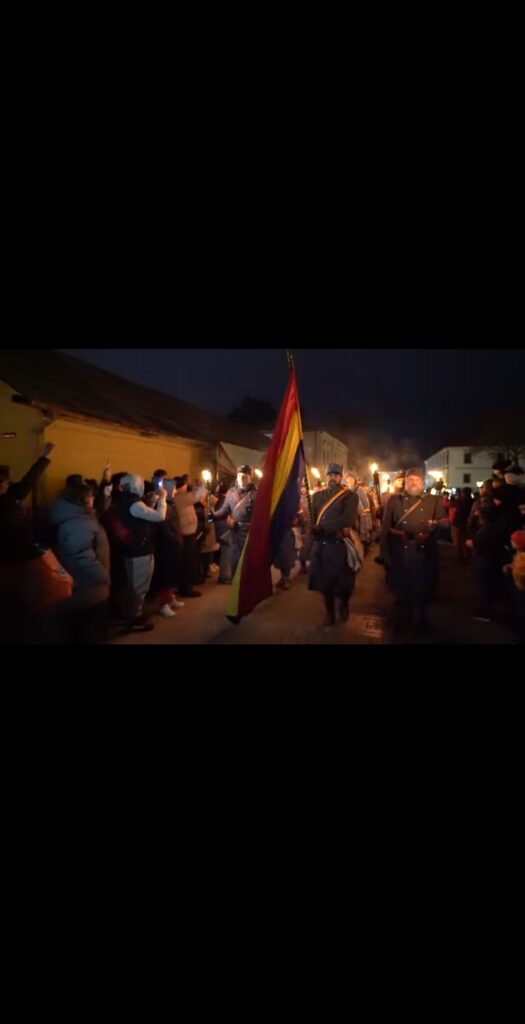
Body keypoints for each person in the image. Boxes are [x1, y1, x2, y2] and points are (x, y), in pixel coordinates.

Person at [380, 466, 444, 633]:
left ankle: (421, 621)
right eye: (410, 480)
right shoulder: (394, 500)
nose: (414, 483)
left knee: (423, 589)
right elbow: (385, 528)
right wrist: (384, 553)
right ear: (405, 482)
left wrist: (436, 524)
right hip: (400, 552)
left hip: (425, 553)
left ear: (423, 482)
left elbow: (444, 523)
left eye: (417, 480)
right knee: (402, 590)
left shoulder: (434, 500)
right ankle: (403, 623)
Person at [50, 481, 111, 642]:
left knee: (82, 630)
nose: (93, 499)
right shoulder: (79, 523)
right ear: (81, 499)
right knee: (87, 632)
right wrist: (103, 575)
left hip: (83, 585)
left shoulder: (78, 517)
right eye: (90, 496)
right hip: (88, 586)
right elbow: (82, 557)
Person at [308, 464, 359, 628]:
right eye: (330, 474)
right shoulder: (317, 496)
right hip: (321, 545)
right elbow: (312, 520)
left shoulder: (349, 496)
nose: (332, 478)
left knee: (344, 583)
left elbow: (347, 519)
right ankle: (330, 613)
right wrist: (309, 540)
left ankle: (344, 604)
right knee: (325, 584)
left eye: (336, 475)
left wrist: (324, 528)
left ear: (340, 477)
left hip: (338, 545)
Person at [117, 474, 167, 632]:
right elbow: (159, 516)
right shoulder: (134, 504)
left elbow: (142, 515)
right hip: (139, 550)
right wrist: (162, 499)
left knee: (134, 586)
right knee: (138, 587)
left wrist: (150, 503)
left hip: (132, 548)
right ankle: (134, 620)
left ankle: (133, 614)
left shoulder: (124, 500)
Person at [212, 466, 258, 581]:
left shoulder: (256, 493)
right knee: (234, 561)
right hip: (234, 532)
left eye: (245, 476)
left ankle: (247, 584)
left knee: (248, 562)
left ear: (250, 477)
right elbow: (225, 510)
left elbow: (260, 514)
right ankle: (236, 583)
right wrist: (213, 515)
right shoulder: (231, 492)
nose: (242, 478)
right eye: (239, 476)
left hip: (249, 532)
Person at [172, 475, 207, 597]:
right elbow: (200, 494)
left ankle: (185, 586)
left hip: (187, 534)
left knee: (188, 561)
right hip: (186, 535)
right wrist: (204, 482)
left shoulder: (181, 497)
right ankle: (186, 588)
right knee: (188, 562)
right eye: (185, 485)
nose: (187, 486)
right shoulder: (180, 498)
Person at [452, 486, 474, 564]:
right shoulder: (472, 501)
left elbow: (459, 513)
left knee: (459, 542)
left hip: (459, 523)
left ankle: (460, 558)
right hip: (467, 524)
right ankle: (467, 555)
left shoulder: (462, 501)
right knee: (466, 540)